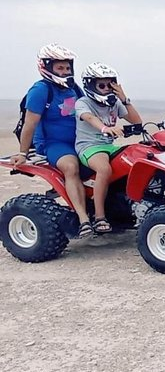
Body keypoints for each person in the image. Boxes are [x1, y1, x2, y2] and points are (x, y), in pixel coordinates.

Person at [10, 43, 93, 238]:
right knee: (71, 167)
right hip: (53, 144)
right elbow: (30, 124)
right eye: (59, 68)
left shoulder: (74, 89)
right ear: (47, 67)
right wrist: (23, 153)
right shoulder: (41, 90)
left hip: (79, 140)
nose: (65, 72)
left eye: (67, 67)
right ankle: (83, 219)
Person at [75, 62, 142, 233]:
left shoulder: (114, 104)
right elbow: (89, 118)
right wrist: (105, 128)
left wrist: (124, 99)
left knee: (136, 160)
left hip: (108, 146)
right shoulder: (83, 102)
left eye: (110, 84)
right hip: (89, 146)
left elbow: (136, 121)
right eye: (102, 85)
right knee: (104, 169)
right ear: (90, 84)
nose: (106, 88)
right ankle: (99, 217)